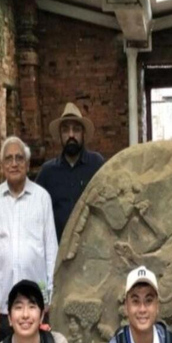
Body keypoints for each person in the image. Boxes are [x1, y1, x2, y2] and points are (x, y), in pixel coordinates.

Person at [0, 137, 58, 342]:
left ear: (27, 164)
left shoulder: (42, 197)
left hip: (37, 301)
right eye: (9, 159)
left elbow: (51, 250)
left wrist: (50, 296)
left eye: (19, 158)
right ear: (2, 165)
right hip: (4, 302)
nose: (14, 163)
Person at [36, 102, 105, 241]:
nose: (71, 135)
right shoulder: (48, 172)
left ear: (83, 133)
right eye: (66, 130)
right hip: (58, 249)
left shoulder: (97, 164)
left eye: (76, 129)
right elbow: (36, 211)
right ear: (60, 136)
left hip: (92, 247)